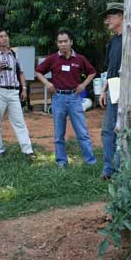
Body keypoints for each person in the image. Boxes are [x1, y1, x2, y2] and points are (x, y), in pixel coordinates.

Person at [35, 29, 98, 168]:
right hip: (58, 98)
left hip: (75, 98)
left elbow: (92, 72)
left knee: (82, 132)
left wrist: (83, 85)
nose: (63, 44)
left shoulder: (80, 59)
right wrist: (47, 83)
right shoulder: (52, 59)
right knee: (59, 134)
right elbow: (38, 71)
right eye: (60, 42)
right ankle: (61, 162)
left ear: (71, 42)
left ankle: (91, 162)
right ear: (57, 44)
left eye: (65, 41)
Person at [0, 28, 34, 158]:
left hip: (13, 91)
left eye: (6, 36)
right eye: (1, 36)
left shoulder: (14, 54)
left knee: (19, 121)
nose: (4, 38)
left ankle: (27, 150)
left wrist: (24, 88)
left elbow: (21, 72)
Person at [99, 2, 124, 180]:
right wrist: (103, 90)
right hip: (113, 87)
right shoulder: (112, 41)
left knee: (124, 130)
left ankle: (123, 168)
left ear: (122, 16)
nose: (107, 20)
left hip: (128, 88)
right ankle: (109, 169)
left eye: (111, 15)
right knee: (108, 130)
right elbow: (110, 69)